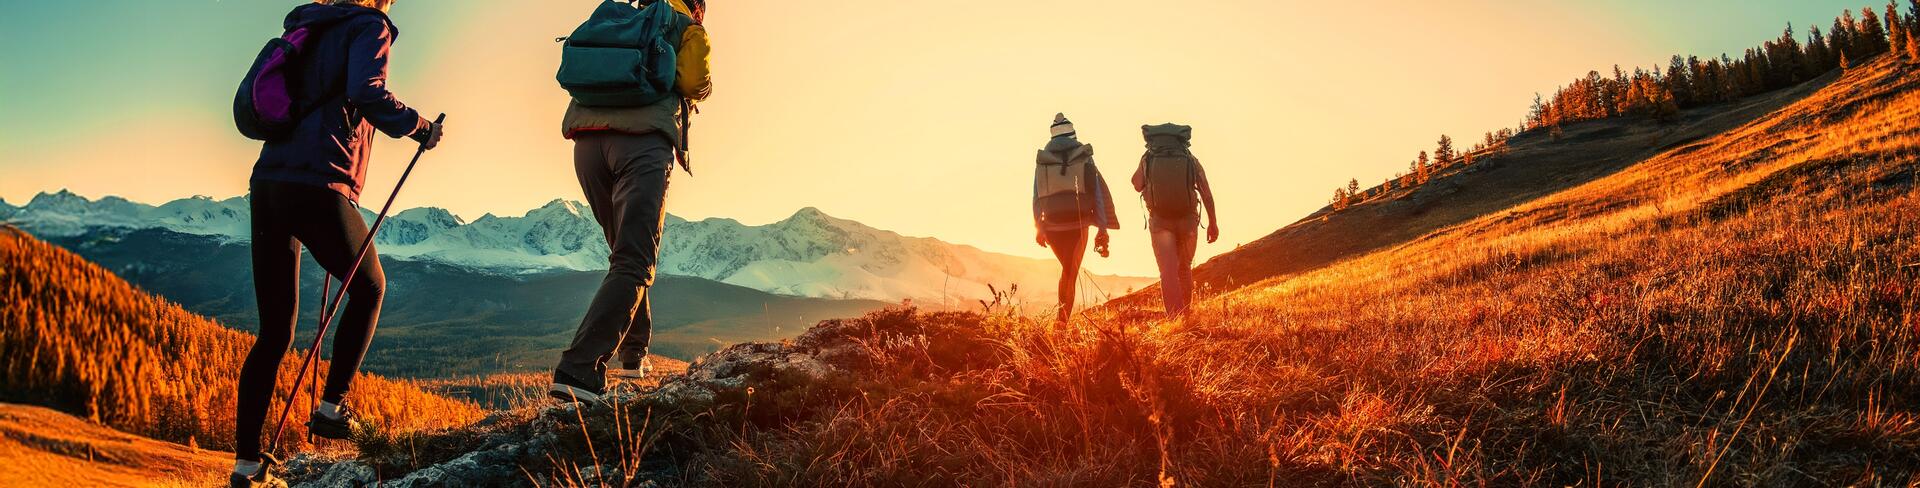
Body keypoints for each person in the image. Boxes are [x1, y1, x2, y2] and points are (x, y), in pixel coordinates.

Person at [232, 0, 444, 486]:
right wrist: (421, 128)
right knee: (370, 287)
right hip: (319, 180)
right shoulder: (371, 25)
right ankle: (332, 408)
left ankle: (245, 464)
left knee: (274, 332)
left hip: (269, 181)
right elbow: (366, 93)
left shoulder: (311, 25)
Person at [548, 0, 712, 404]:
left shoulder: (616, 17)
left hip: (586, 145)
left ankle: (633, 353)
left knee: (624, 254)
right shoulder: (687, 26)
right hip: (640, 145)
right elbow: (694, 83)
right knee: (635, 261)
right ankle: (579, 370)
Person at [1033, 113, 1119, 324]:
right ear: (1073, 135)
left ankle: (1061, 323)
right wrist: (1102, 227)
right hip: (1078, 224)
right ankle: (1061, 324)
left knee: (1067, 271)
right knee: (1070, 273)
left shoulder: (1044, 160)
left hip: (1052, 226)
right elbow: (1097, 193)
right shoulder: (1083, 157)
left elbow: (1036, 195)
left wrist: (1039, 227)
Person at [1131, 123, 1216, 318]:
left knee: (1167, 272)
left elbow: (1137, 184)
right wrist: (1213, 222)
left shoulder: (1149, 158)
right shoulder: (1189, 158)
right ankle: (1185, 315)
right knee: (1184, 268)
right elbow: (1206, 192)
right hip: (1187, 221)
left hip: (1160, 221)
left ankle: (1173, 317)